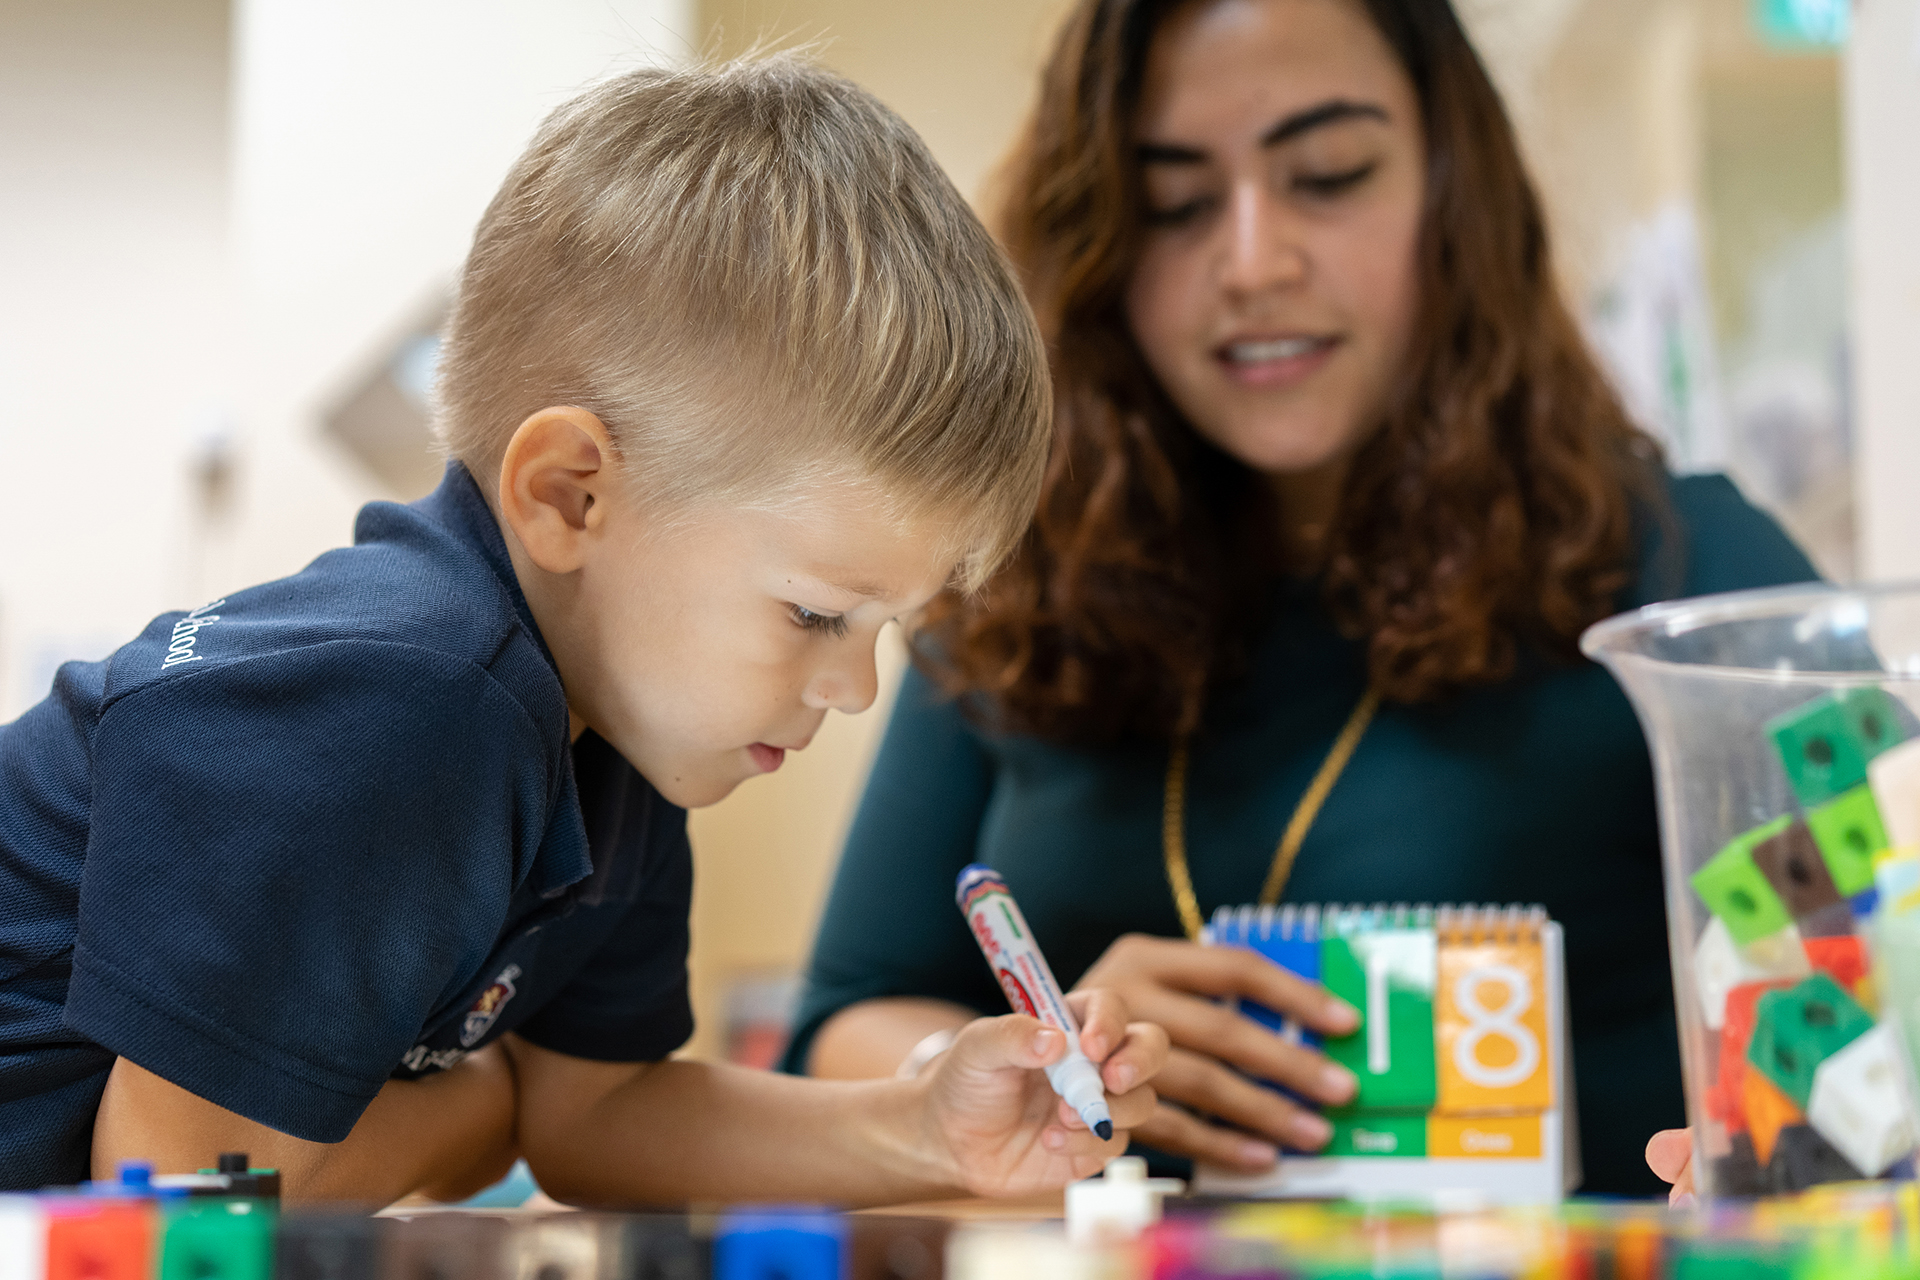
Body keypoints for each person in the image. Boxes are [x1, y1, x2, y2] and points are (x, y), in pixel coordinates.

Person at [0, 55, 1171, 1203]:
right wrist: (482, 1106)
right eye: (818, 612)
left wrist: (923, 1129)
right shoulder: (405, 698)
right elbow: (187, 1206)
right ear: (570, 493)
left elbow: (596, 1113)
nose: (857, 688)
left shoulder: (618, 744)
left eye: (886, 627)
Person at [782, 0, 1816, 1197]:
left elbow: (1876, 973)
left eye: (1327, 175)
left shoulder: (1688, 568)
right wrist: (1027, 1047)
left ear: (1454, 194)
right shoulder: (1018, 596)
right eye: (1174, 203)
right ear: (1102, 245)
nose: (1255, 261)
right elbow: (833, 1034)